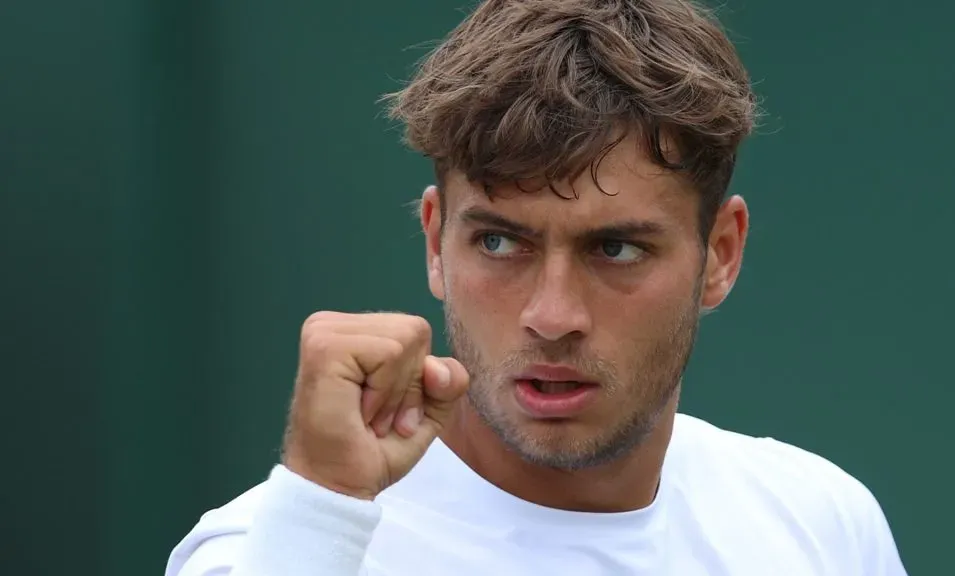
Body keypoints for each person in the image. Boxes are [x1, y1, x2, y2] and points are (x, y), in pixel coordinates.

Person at [166, 1, 908, 574]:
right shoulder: (278, 546)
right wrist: (320, 513)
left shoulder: (820, 522)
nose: (552, 316)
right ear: (435, 241)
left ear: (720, 254)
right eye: (498, 242)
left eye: (615, 248)